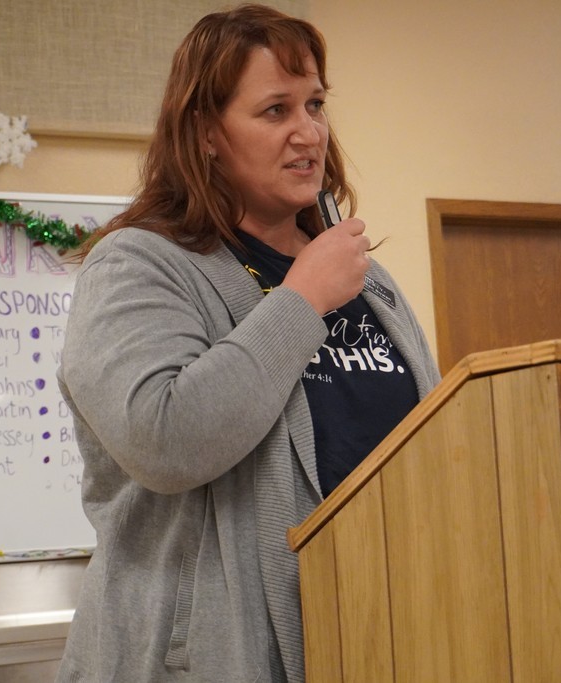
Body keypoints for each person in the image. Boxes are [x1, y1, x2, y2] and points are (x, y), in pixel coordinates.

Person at [55, 5, 439, 682]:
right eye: (275, 110)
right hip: (207, 660)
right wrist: (303, 298)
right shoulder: (138, 265)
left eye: (315, 104)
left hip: (374, 640)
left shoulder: (369, 282)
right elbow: (165, 439)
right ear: (206, 132)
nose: (308, 132)